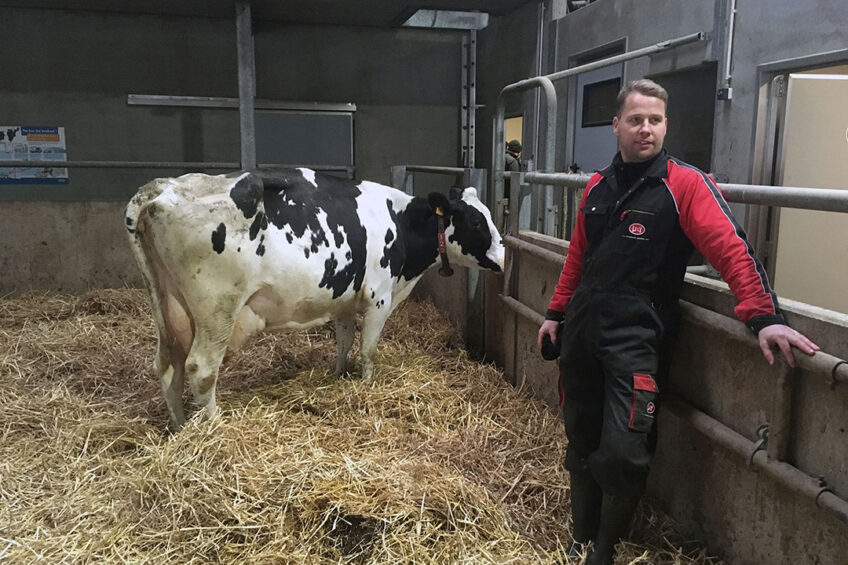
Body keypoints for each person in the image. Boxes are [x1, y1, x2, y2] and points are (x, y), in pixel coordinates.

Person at [536, 79, 819, 565]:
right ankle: (579, 538)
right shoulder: (597, 188)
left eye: (656, 120)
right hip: (582, 330)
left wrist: (764, 316)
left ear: (665, 125)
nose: (646, 129)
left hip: (637, 336)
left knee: (625, 449)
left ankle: (604, 551)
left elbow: (731, 249)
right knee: (580, 436)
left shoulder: (684, 184)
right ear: (616, 126)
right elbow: (578, 258)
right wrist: (555, 313)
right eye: (636, 119)